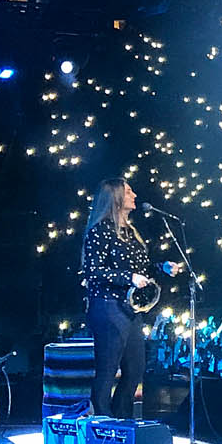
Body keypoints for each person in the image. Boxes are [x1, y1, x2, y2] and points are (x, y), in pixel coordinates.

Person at [79, 177, 156, 417]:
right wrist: (128, 277)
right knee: (108, 368)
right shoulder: (99, 231)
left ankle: (122, 422)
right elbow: (94, 271)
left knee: (135, 369)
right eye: (129, 191)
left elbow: (140, 269)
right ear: (116, 198)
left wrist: (162, 267)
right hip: (108, 305)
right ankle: (102, 422)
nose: (134, 195)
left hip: (130, 308)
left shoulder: (130, 233)